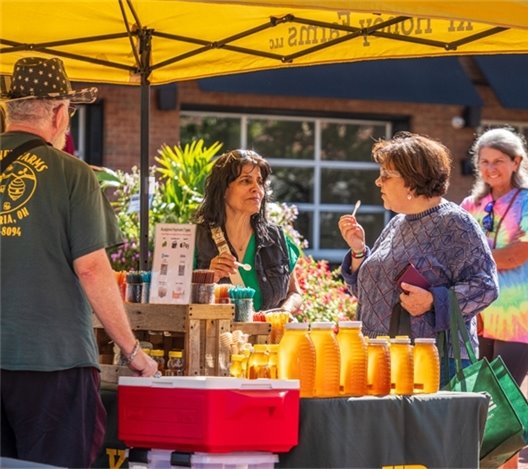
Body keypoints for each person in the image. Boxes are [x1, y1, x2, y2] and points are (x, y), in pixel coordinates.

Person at [0, 57, 158, 468]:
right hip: (54, 362)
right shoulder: (72, 174)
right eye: (68, 113)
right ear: (57, 113)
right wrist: (133, 350)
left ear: (9, 109)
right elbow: (91, 268)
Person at [338, 131, 499, 383]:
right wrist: (359, 251)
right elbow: (368, 294)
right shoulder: (397, 223)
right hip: (380, 359)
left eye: (386, 176)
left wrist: (433, 300)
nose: (378, 183)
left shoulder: (455, 223)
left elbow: (486, 287)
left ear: (412, 181)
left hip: (430, 362)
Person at [461, 127, 528, 387]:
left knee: (503, 399)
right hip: (476, 315)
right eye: (485, 162)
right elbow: (456, 252)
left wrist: (474, 257)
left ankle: (518, 431)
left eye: (499, 161)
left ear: (516, 162)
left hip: (518, 315)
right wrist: (494, 255)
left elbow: (517, 256)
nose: (491, 168)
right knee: (476, 401)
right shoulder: (470, 205)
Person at [194, 149, 302, 313]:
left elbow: (294, 293)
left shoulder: (277, 238)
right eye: (246, 181)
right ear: (223, 190)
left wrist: (284, 311)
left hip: (268, 338)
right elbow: (171, 298)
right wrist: (207, 279)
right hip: (217, 338)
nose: (256, 188)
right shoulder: (195, 240)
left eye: (259, 182)